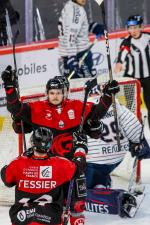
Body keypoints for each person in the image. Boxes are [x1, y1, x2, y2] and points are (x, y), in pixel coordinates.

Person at [1, 66, 119, 224]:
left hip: (72, 166)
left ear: (65, 92)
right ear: (47, 93)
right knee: (52, 210)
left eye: (58, 92)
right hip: (48, 169)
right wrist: (9, 87)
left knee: (77, 207)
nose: (55, 96)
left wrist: (107, 97)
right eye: (52, 93)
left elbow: (96, 114)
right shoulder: (38, 108)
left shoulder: (77, 106)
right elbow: (15, 108)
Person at [1, 126, 87, 225]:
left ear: (32, 142)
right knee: (77, 181)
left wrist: (23, 158)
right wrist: (81, 147)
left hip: (22, 217)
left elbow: (6, 180)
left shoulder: (18, 163)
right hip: (50, 217)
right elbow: (79, 166)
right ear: (50, 145)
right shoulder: (59, 164)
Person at [85, 89, 150, 217]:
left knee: (79, 190)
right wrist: (139, 142)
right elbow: (131, 124)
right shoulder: (116, 105)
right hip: (118, 156)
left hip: (95, 160)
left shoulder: (86, 107)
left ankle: (116, 198)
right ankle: (103, 183)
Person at [114, 15, 150, 128]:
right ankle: (136, 130)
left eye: (134, 27)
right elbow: (122, 55)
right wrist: (119, 64)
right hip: (132, 79)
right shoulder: (126, 42)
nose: (132, 31)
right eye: (129, 28)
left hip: (148, 77)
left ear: (141, 27)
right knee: (132, 107)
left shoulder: (148, 38)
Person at [58, 0, 105, 78]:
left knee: (71, 85)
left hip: (69, 54)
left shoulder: (69, 6)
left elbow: (76, 28)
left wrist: (94, 27)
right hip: (79, 55)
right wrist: (72, 58)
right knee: (88, 85)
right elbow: (71, 36)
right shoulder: (76, 11)